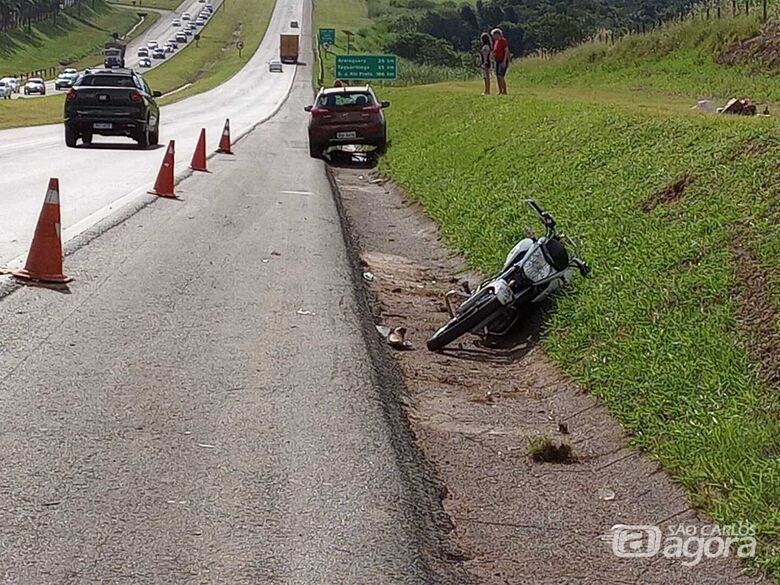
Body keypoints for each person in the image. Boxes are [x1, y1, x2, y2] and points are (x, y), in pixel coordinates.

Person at [491, 28, 509, 95]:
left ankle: (504, 91)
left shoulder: (503, 41)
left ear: (497, 34)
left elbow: (506, 51)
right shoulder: (496, 42)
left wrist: (504, 61)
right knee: (497, 76)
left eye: (493, 35)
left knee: (501, 76)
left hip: (502, 60)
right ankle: (500, 91)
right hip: (497, 60)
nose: (493, 37)